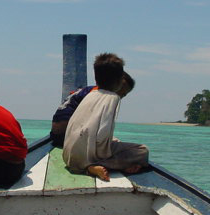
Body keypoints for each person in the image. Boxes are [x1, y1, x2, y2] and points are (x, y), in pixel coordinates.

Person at [62, 53, 148, 182]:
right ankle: (92, 166)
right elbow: (102, 137)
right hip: (87, 159)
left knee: (115, 142)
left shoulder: (91, 94)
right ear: (120, 80)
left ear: (96, 79)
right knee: (142, 151)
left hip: (69, 154)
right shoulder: (112, 98)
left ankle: (88, 164)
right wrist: (112, 157)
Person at [50, 72, 135, 147]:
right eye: (120, 92)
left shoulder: (91, 90)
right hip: (68, 138)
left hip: (56, 136)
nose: (119, 96)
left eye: (123, 95)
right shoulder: (102, 96)